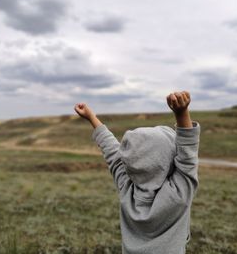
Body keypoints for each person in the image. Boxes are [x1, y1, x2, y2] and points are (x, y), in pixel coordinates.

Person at [74, 91, 200, 254]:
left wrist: (91, 118)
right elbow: (187, 157)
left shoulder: (126, 186)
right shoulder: (178, 195)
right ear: (166, 163)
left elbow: (112, 151)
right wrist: (182, 112)